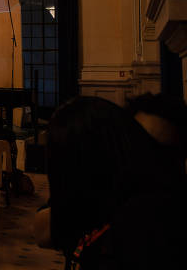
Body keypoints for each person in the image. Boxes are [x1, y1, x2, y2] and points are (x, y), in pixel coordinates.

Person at [47, 96, 187, 269]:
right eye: (141, 144)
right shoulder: (101, 197)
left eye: (161, 153)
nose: (147, 159)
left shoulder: (150, 221)